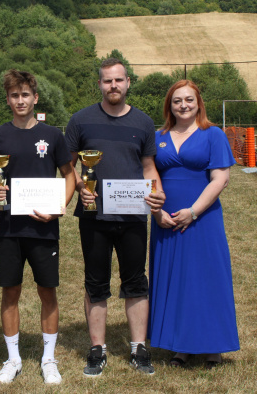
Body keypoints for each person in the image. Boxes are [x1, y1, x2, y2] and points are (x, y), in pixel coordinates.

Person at [64, 57, 164, 377]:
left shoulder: (144, 123)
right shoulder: (80, 120)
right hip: (94, 215)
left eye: (118, 80)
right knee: (96, 282)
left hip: (134, 213)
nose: (113, 86)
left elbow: (148, 168)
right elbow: (67, 166)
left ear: (128, 82)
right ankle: (97, 348)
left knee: (136, 281)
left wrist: (157, 194)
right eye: (107, 81)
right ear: (100, 84)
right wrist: (81, 186)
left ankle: (138, 347)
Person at [0, 69, 75, 385]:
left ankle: (49, 358)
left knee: (47, 291)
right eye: (14, 95)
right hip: (8, 227)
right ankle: (14, 359)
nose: (20, 100)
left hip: (43, 228)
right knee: (10, 291)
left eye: (25, 94)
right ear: (7, 99)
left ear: (35, 98)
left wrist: (58, 208)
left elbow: (70, 175)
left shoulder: (52, 135)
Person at [148, 79, 239, 369]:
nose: (183, 105)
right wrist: (156, 212)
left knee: (206, 279)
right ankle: (180, 344)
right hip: (166, 219)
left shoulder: (212, 135)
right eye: (177, 101)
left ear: (198, 103)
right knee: (175, 280)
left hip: (203, 219)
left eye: (189, 100)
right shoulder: (157, 136)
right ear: (169, 106)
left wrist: (194, 211)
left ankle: (212, 346)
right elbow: (149, 174)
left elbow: (220, 179)